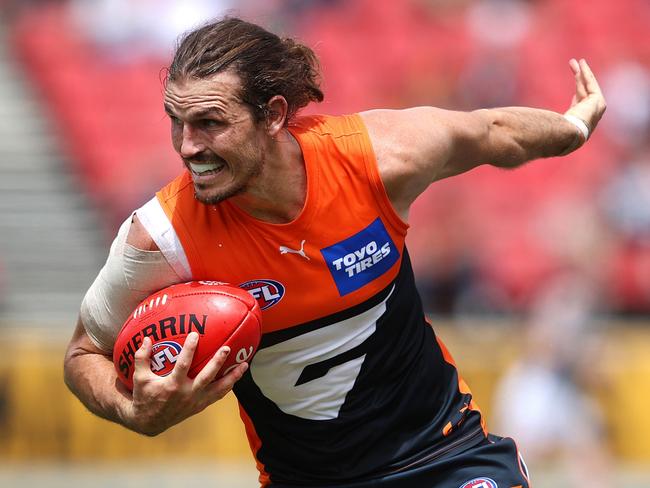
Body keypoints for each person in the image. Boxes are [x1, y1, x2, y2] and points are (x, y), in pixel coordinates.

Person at [63, 17, 606, 488]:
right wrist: (133, 410)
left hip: (445, 456)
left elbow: (491, 131)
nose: (187, 147)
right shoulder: (162, 238)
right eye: (176, 121)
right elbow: (83, 354)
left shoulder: (375, 160)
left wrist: (575, 126)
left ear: (274, 115)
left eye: (210, 122)